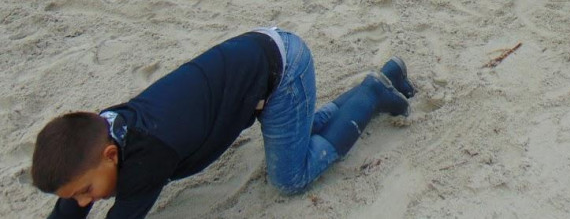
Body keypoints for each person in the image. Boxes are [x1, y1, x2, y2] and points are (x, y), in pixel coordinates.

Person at [30, 28, 415, 218]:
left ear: (111, 155)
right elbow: (72, 197)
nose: (84, 202)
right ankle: (386, 76)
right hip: (256, 57)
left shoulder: (146, 160)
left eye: (84, 191)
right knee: (299, 132)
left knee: (290, 178)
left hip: (282, 71)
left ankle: (372, 96)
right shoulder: (104, 128)